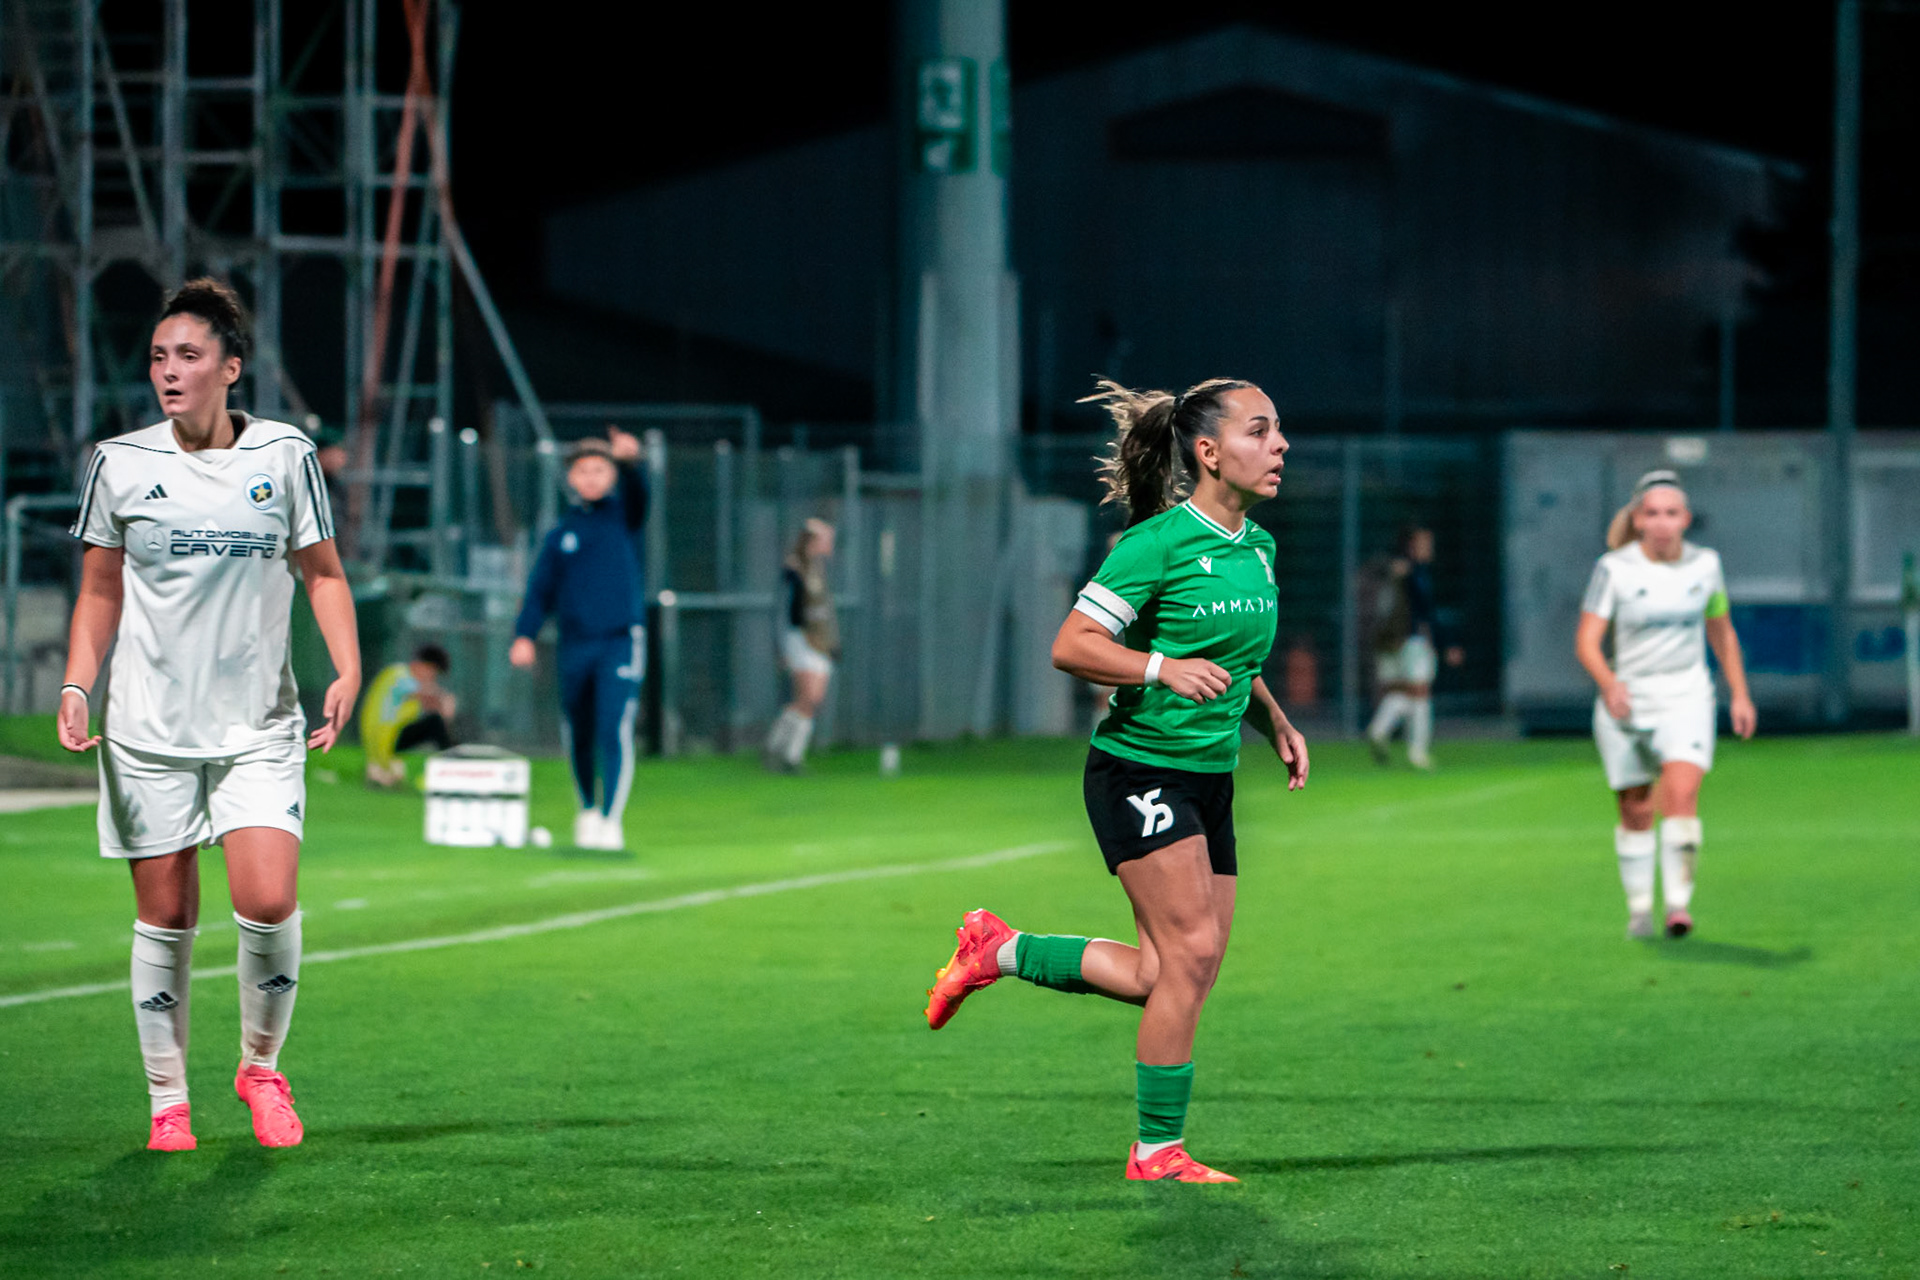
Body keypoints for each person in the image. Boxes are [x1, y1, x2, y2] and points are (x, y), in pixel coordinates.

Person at [922, 377, 1309, 1184]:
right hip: (1140, 770)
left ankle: (1001, 950)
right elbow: (1072, 644)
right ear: (1208, 451)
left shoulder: (1258, 547)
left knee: (1166, 976)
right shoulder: (1155, 544)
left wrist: (1270, 716)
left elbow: (1236, 659)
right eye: (1260, 430)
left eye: (1279, 432)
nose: (1279, 446)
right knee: (1191, 955)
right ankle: (1156, 1152)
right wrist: (1161, 667)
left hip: (1210, 778)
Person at [59, 277, 360, 1152]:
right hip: (148, 731)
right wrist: (80, 683)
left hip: (259, 727)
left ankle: (260, 1068)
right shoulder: (120, 462)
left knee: (267, 901)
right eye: (159, 356)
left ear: (232, 368)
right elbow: (98, 590)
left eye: (189, 355)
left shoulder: (284, 456)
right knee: (167, 919)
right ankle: (167, 1102)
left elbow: (325, 573)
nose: (169, 371)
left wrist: (345, 667)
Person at [1575, 470, 1755, 940]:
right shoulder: (1614, 569)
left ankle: (1678, 905)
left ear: (1686, 519)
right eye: (1652, 514)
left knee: (1679, 795)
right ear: (1637, 520)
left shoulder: (1706, 566)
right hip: (1629, 701)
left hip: (1687, 696)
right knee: (1636, 809)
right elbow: (1588, 641)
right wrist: (1609, 683)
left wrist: (1739, 693)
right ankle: (1639, 909)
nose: (1661, 523)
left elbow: (1721, 630)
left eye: (1671, 514)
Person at [509, 428, 648, 851]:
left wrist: (630, 464)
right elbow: (540, 591)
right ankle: (587, 809)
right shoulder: (561, 534)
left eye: (600, 469)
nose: (591, 477)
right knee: (580, 731)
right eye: (583, 470)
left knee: (612, 727)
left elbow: (640, 495)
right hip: (575, 644)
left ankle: (611, 820)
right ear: (571, 476)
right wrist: (524, 636)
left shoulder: (623, 516)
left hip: (619, 641)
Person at [1365, 525, 1463, 769]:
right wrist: (1448, 643)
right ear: (1411, 545)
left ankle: (1380, 730)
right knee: (1420, 693)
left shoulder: (1395, 570)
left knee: (1407, 692)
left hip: (1393, 641)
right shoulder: (1415, 574)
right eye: (1423, 543)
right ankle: (1416, 750)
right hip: (1414, 640)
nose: (1428, 548)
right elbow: (1428, 613)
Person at [763, 518, 838, 773]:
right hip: (800, 640)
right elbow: (784, 611)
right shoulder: (794, 569)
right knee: (805, 698)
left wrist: (832, 641)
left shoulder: (820, 569)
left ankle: (783, 750)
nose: (830, 544)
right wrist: (781, 648)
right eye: (826, 539)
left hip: (820, 641)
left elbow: (824, 611)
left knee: (813, 700)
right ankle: (785, 753)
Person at [360, 643, 457, 786]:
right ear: (424, 666)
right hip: (386, 738)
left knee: (436, 723)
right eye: (433, 673)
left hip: (384, 738)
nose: (432, 679)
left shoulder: (395, 674)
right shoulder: (400, 674)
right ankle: (455, 768)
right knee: (435, 723)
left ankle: (454, 762)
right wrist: (445, 700)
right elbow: (428, 695)